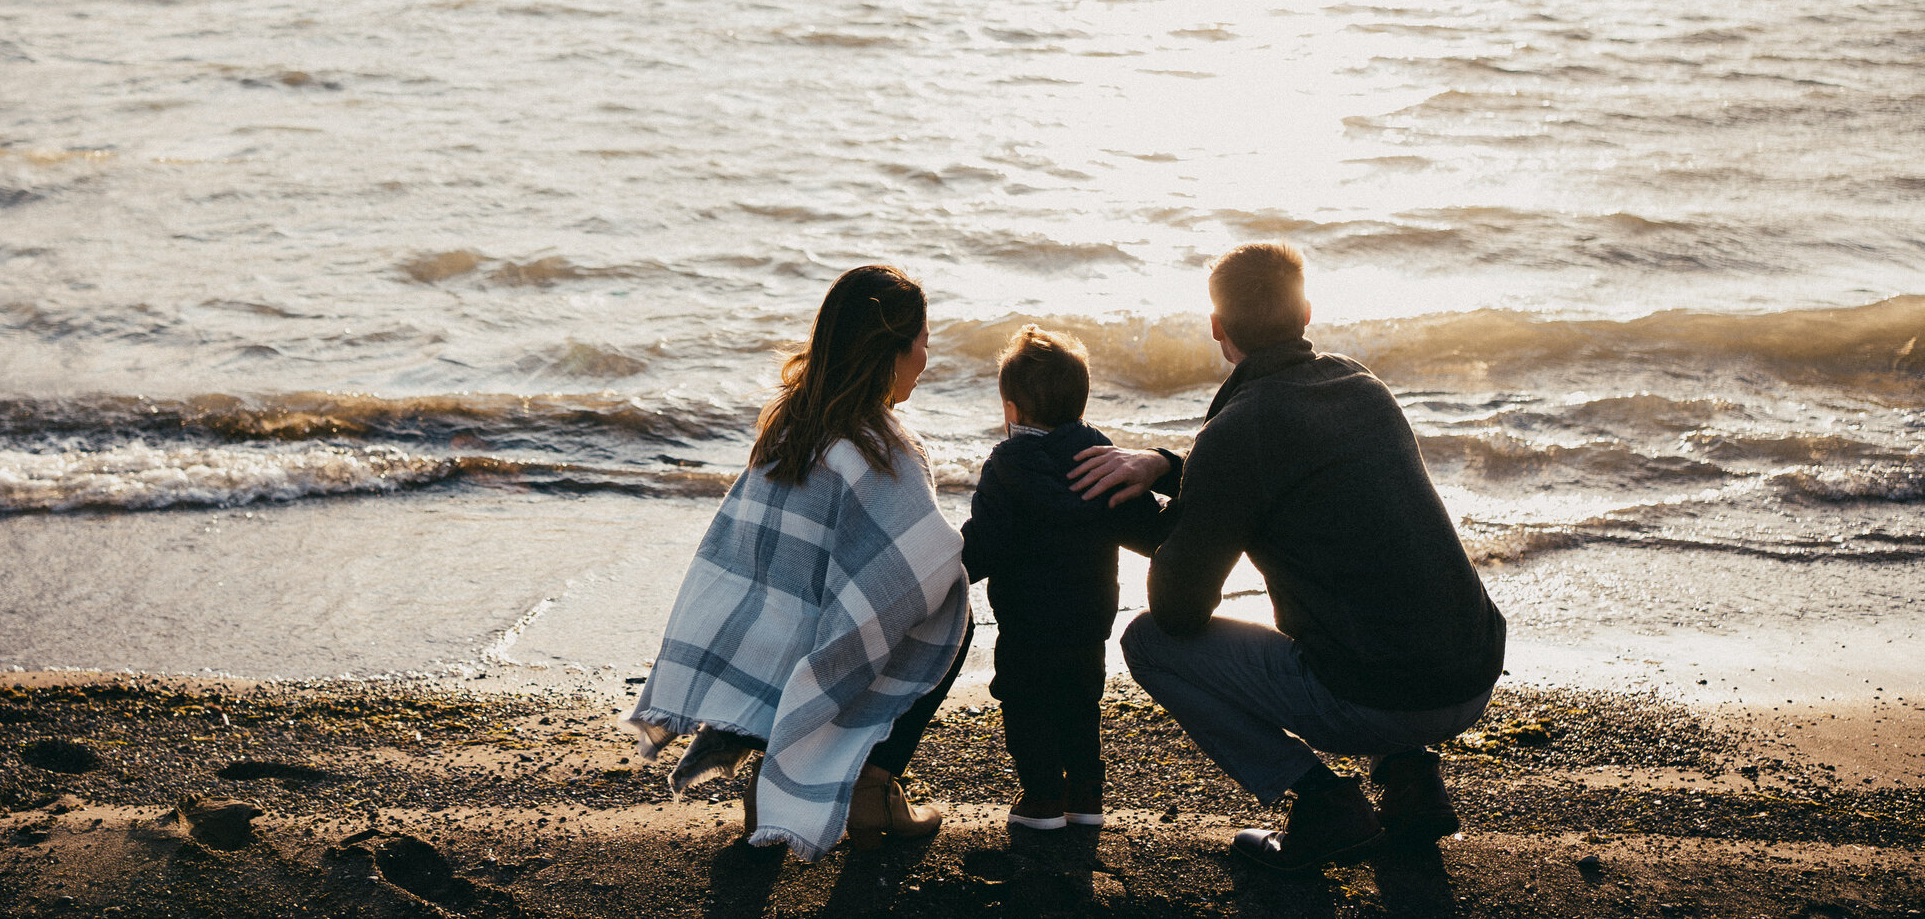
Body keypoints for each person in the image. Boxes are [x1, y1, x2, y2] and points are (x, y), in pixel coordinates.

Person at [1069, 242, 1506, 871]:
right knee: (1370, 592)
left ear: (1217, 329)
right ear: (1306, 313)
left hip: (1379, 698)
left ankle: (1324, 803)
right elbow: (1286, 478)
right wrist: (1168, 468)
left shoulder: (1239, 429)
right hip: (1471, 671)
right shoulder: (1362, 386)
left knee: (1148, 643)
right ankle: (1409, 782)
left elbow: (1178, 609)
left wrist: (1115, 514)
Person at [626, 264, 972, 860]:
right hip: (817, 650)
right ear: (890, 350)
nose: (925, 356)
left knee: (841, 611)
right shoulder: (884, 452)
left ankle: (766, 783)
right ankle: (874, 785)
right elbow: (920, 567)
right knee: (947, 616)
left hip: (760, 638)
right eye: (921, 342)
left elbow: (737, 547)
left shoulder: (787, 426)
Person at [961, 324, 1161, 832]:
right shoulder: (1104, 458)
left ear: (1011, 408)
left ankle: (1044, 799)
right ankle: (1087, 797)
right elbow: (1147, 532)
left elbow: (984, 543)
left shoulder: (1005, 465)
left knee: (1026, 704)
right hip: (1089, 621)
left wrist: (947, 571)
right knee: (1081, 700)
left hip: (1026, 624)